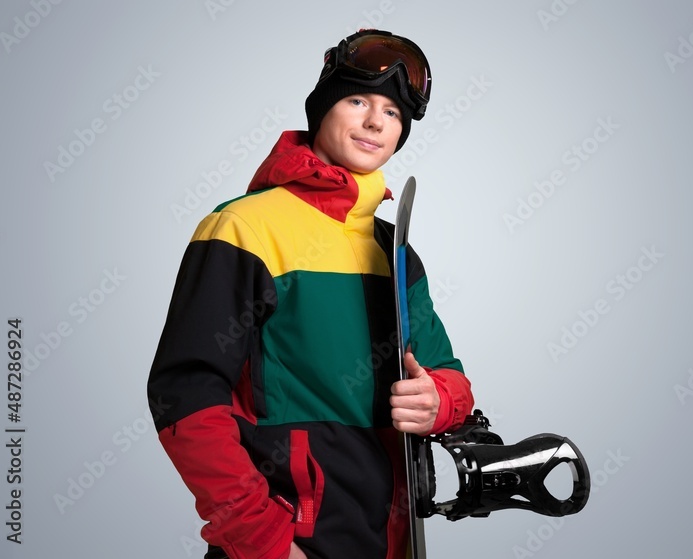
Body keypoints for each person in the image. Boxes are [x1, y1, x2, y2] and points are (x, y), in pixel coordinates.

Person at [147, 29, 475, 559]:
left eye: (393, 113)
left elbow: (447, 374)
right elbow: (184, 397)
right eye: (357, 100)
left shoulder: (395, 250)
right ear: (322, 109)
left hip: (392, 543)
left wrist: (438, 400)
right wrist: (261, 540)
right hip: (287, 544)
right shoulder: (243, 229)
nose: (375, 121)